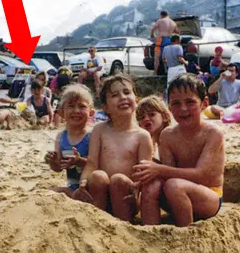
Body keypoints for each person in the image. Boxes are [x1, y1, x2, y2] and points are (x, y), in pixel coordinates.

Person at [134, 73, 225, 227]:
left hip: (209, 198)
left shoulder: (213, 133)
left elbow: (201, 175)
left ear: (204, 103)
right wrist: (142, 179)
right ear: (169, 107)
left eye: (190, 102)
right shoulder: (168, 135)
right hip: (177, 196)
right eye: (176, 103)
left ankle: (185, 234)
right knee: (152, 184)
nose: (183, 109)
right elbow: (169, 173)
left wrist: (159, 169)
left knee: (174, 185)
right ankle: (150, 232)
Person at [74, 74, 153, 222]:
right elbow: (92, 162)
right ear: (105, 108)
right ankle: (98, 223)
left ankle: (122, 226)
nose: (123, 97)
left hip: (126, 195)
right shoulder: (100, 130)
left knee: (118, 180)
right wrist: (83, 181)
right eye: (115, 95)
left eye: (127, 92)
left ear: (136, 101)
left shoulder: (142, 136)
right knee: (98, 176)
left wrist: (138, 186)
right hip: (100, 192)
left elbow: (143, 172)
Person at [45, 84, 94, 197]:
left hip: (91, 187)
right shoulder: (61, 137)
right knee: (48, 191)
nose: (76, 110)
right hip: (72, 187)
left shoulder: (92, 135)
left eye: (82, 106)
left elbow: (97, 165)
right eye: (71, 106)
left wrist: (79, 161)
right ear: (62, 113)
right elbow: (58, 168)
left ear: (91, 112)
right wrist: (52, 161)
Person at [136, 95, 171, 160]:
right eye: (142, 117)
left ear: (165, 116)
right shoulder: (149, 145)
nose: (146, 119)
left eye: (151, 114)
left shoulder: (173, 140)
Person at [150, 10, 180, 75]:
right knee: (168, 57)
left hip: (160, 40)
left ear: (161, 15)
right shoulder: (173, 22)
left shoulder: (160, 20)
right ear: (167, 15)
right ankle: (169, 72)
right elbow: (177, 32)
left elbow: (153, 29)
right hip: (169, 40)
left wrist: (152, 35)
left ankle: (155, 73)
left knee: (157, 58)